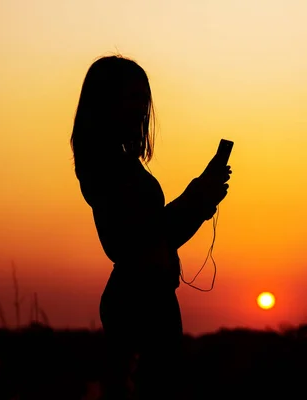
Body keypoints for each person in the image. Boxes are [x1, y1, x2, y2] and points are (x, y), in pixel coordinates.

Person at [69, 55, 231, 399]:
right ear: (106, 102)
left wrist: (200, 198)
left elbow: (157, 235)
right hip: (139, 300)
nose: (142, 108)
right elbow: (147, 238)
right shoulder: (109, 167)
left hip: (147, 296)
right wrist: (198, 198)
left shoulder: (116, 164)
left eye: (145, 99)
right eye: (133, 97)